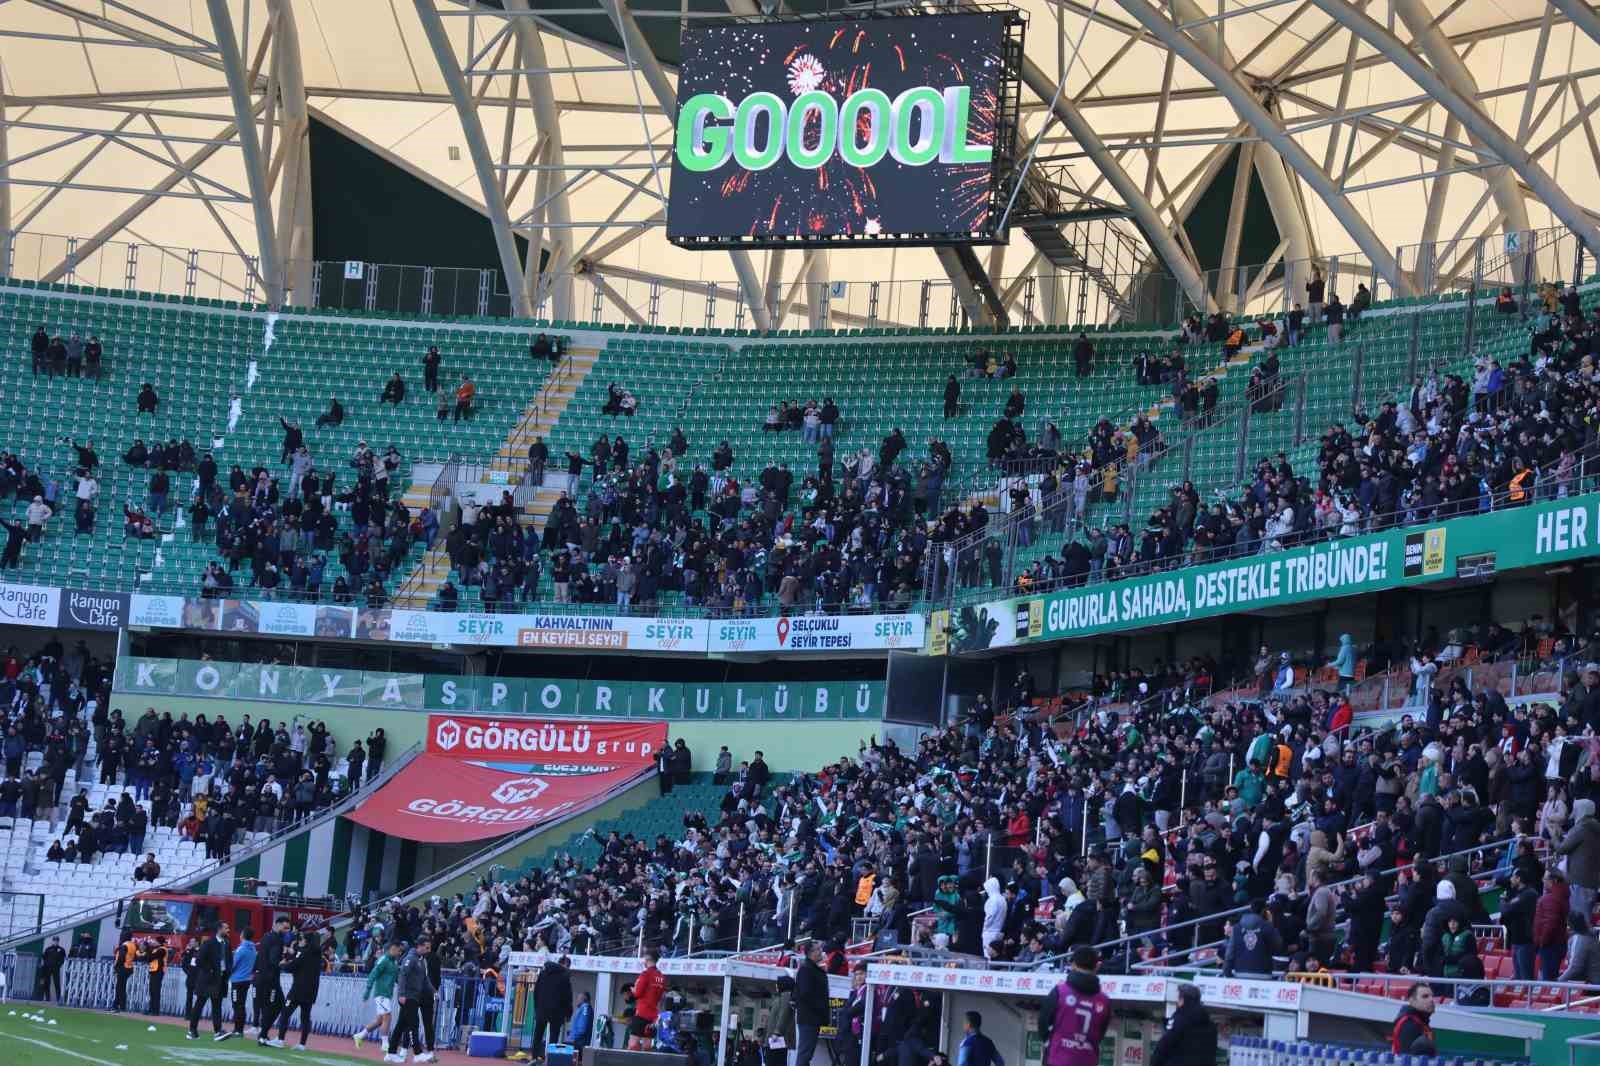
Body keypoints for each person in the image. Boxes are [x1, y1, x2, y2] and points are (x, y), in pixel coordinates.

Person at [1041, 947, 1109, 1066]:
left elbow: (1043, 1023)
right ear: (1097, 966)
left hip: (1058, 1058)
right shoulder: (1104, 1000)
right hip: (1087, 1060)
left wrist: (1051, 1043)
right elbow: (1100, 1034)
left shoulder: (1059, 992)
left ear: (1073, 965)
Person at [386, 936, 438, 1064]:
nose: (428, 950)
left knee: (401, 1025)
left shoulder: (420, 960)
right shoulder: (411, 959)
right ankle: (417, 1053)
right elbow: (403, 974)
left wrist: (434, 992)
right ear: (419, 946)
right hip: (408, 996)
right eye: (426, 947)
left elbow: (425, 980)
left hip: (413, 996)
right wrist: (402, 994)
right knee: (413, 1024)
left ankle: (391, 1053)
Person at [275, 929, 323, 1049]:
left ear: (307, 941)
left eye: (302, 939)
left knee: (285, 1013)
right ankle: (302, 1044)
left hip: (298, 990)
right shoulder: (318, 954)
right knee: (305, 1017)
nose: (299, 941)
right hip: (311, 991)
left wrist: (282, 965)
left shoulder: (305, 953)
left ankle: (280, 1039)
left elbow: (292, 966)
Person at [1150, 984, 1215, 1066]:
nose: (1177, 1002)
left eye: (1179, 999)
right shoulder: (1210, 1024)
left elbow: (1165, 1045)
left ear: (1183, 999)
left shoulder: (1180, 1018)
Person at [356, 940, 403, 1050]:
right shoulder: (384, 960)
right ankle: (385, 1044)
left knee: (380, 1021)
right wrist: (367, 991)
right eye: (399, 950)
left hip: (387, 994)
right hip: (381, 993)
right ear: (393, 948)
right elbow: (373, 974)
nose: (400, 953)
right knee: (388, 1016)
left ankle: (360, 1035)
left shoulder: (394, 962)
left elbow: (396, 978)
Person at [187, 922, 231, 1041]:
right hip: (207, 980)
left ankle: (218, 1031)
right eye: (226, 928)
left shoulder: (227, 943)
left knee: (217, 1006)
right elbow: (199, 960)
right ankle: (192, 1030)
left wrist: (227, 972)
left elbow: (228, 960)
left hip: (220, 979)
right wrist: (210, 970)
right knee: (199, 1004)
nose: (228, 930)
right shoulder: (208, 943)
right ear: (219, 929)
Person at [253, 915, 291, 1044]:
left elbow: (261, 957)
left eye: (288, 929)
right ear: (278, 924)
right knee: (276, 1005)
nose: (287, 931)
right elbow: (274, 960)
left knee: (269, 1006)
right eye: (285, 928)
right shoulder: (277, 940)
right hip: (271, 979)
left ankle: (263, 1034)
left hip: (262, 977)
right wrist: (285, 961)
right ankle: (263, 1035)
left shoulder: (265, 937)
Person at [793, 940, 829, 1066]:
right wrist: (820, 1008)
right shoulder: (806, 969)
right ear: (810, 953)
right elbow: (805, 994)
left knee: (807, 1054)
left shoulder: (812, 968)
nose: (821, 952)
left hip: (813, 1018)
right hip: (809, 1018)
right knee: (805, 1054)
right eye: (818, 950)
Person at [532, 954, 574, 1062]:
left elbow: (536, 991)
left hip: (542, 1009)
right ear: (565, 964)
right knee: (554, 1037)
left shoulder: (543, 973)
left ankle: (535, 1057)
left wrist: (537, 1007)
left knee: (538, 1034)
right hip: (557, 1011)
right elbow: (567, 997)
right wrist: (568, 1014)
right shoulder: (565, 976)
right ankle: (551, 1059)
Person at [626, 948, 667, 1050]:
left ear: (648, 958)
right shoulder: (661, 976)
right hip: (653, 1016)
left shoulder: (645, 974)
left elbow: (637, 993)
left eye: (644, 958)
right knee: (647, 1047)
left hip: (641, 1014)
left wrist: (633, 989)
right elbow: (660, 996)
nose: (643, 961)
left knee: (632, 1045)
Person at [1391, 982, 1436, 1055]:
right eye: (1425, 996)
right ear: (1412, 1001)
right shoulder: (1409, 1025)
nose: (1431, 1000)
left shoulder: (1420, 1020)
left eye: (1432, 996)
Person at [229, 927, 257, 1038]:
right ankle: (239, 1029)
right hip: (246, 980)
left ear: (243, 935)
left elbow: (233, 964)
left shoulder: (241, 949)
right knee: (241, 1005)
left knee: (237, 1005)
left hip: (237, 980)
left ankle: (238, 1030)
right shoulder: (253, 949)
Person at [143, 936, 169, 1015]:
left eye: (155, 941)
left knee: (156, 991)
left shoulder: (162, 950)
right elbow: (148, 958)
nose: (153, 942)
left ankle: (155, 1011)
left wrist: (148, 948)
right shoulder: (155, 949)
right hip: (153, 971)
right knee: (152, 991)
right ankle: (151, 1009)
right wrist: (149, 949)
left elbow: (151, 957)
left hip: (159, 971)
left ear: (159, 942)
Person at [112, 932, 138, 1012]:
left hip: (123, 968)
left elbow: (121, 957)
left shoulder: (124, 945)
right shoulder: (133, 945)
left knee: (119, 988)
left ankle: (117, 1006)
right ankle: (119, 1006)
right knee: (122, 987)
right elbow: (135, 957)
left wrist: (116, 967)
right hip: (129, 967)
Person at [37, 935, 65, 1004]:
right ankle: (47, 998)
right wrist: (46, 964)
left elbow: (63, 959)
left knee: (57, 983)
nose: (55, 942)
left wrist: (59, 965)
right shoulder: (48, 949)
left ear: (58, 941)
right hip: (48, 968)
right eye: (54, 940)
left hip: (56, 968)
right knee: (47, 983)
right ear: (52, 941)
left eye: (57, 941)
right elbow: (44, 957)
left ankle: (58, 998)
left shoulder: (61, 949)